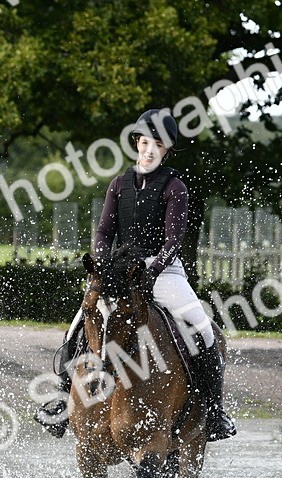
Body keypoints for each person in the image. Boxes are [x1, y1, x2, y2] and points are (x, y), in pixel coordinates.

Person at [35, 108, 237, 442]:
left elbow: (174, 240)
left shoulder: (176, 187)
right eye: (144, 142)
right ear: (136, 144)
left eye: (157, 144)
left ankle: (213, 411)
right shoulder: (119, 184)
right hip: (119, 271)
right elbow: (103, 232)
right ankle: (61, 400)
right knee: (75, 328)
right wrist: (102, 265)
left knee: (204, 331)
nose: (149, 149)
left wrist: (153, 268)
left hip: (164, 271)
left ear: (166, 149)